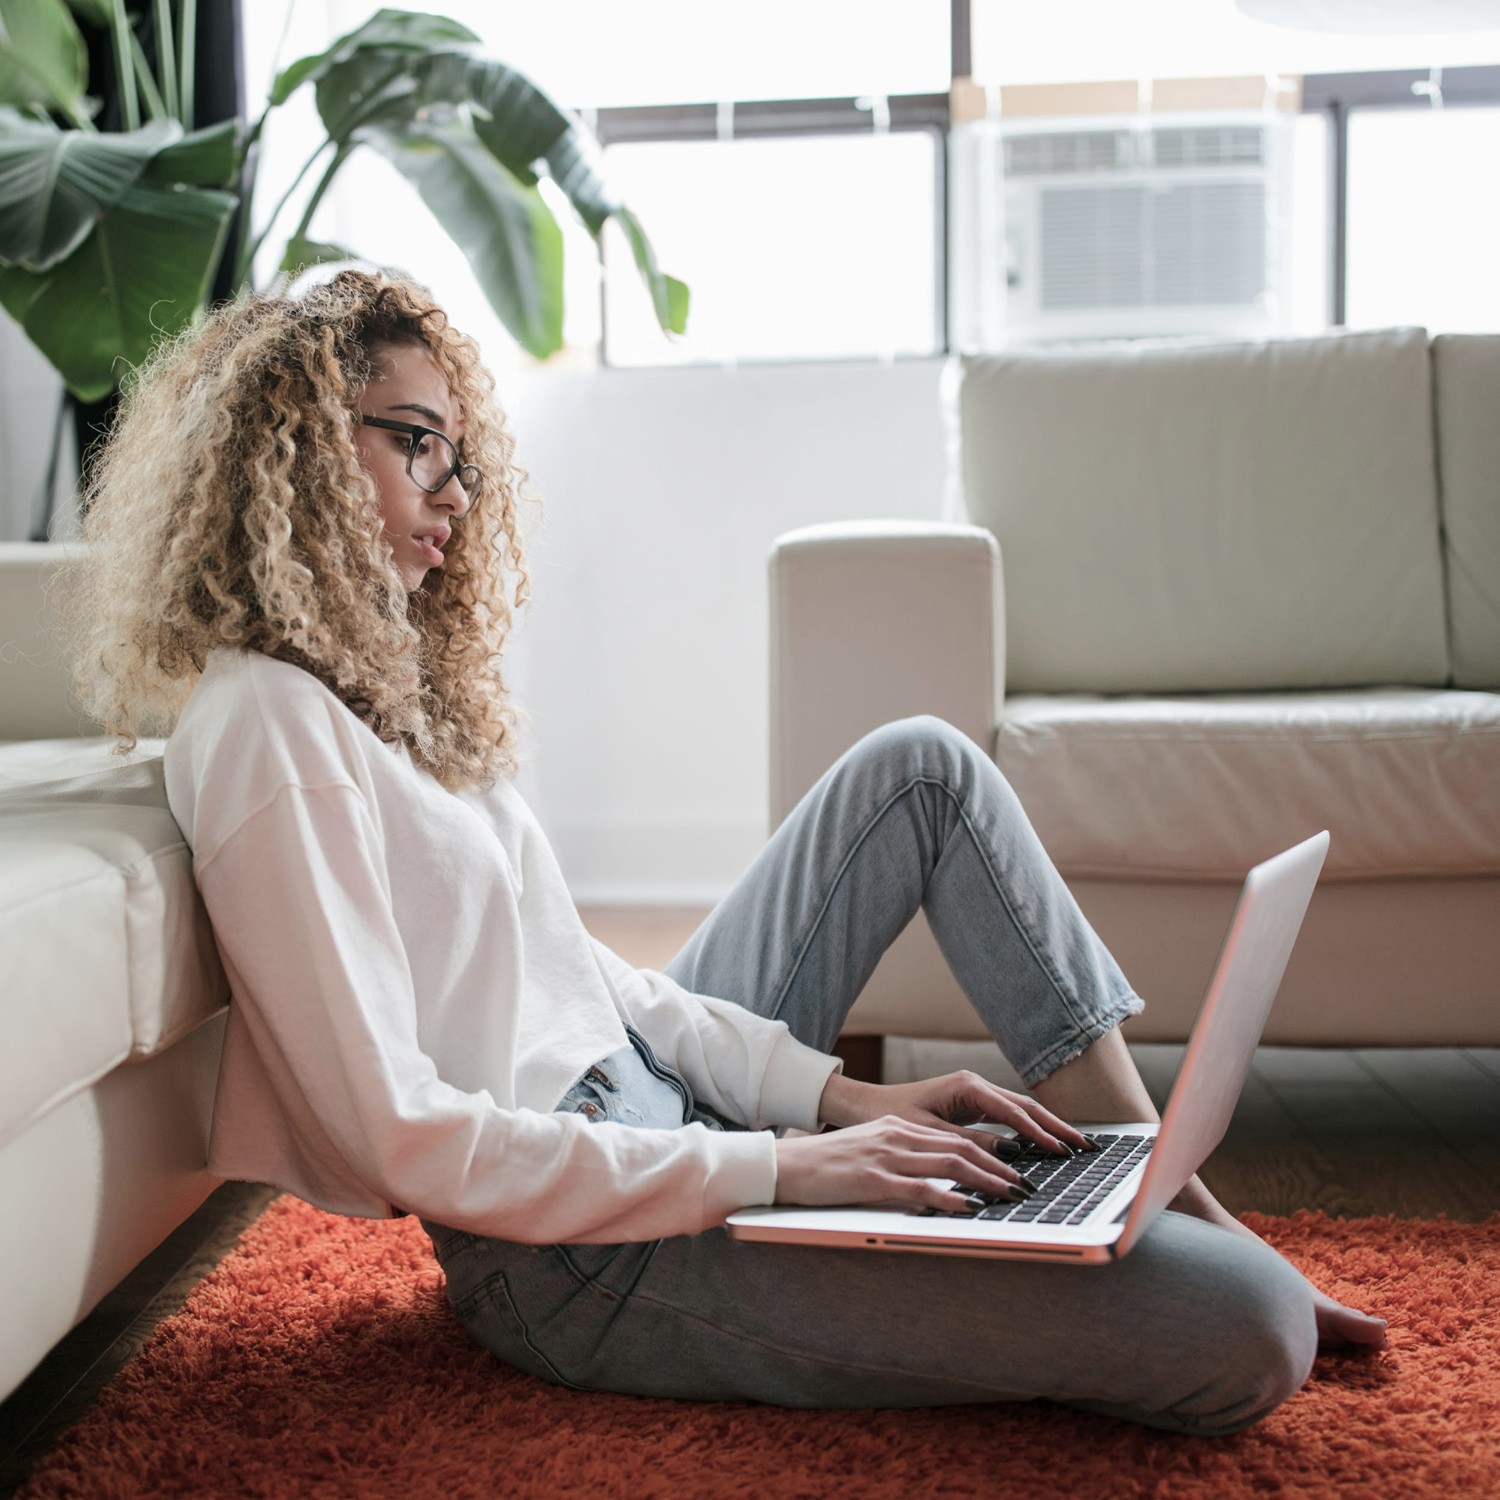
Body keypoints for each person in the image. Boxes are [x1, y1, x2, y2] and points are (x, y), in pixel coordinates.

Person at [60, 269, 1385, 1437]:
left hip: (660, 1117)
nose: (454, 491)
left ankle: (1161, 1189)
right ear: (294, 449)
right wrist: (783, 1167)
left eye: (459, 454)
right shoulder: (266, 726)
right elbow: (400, 1135)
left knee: (921, 768)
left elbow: (590, 981)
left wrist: (834, 1101)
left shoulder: (386, 697)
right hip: (577, 1257)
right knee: (1251, 1328)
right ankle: (1160, 1237)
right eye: (415, 443)